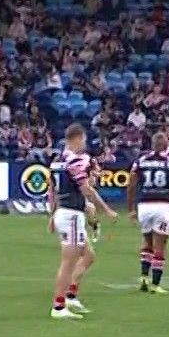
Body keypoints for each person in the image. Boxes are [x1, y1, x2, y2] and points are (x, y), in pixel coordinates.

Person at [44, 123, 116, 320]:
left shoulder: (57, 161)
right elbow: (86, 189)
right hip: (71, 214)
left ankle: (70, 295)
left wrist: (51, 215)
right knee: (68, 262)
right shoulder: (75, 160)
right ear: (76, 139)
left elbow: (51, 190)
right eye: (83, 140)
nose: (84, 144)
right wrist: (106, 210)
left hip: (63, 212)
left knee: (88, 255)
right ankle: (59, 306)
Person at [127, 130, 169, 294]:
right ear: (165, 145)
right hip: (162, 205)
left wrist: (131, 208)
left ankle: (144, 276)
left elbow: (131, 184)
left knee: (146, 241)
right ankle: (155, 284)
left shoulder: (141, 161)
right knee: (160, 246)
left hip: (144, 205)